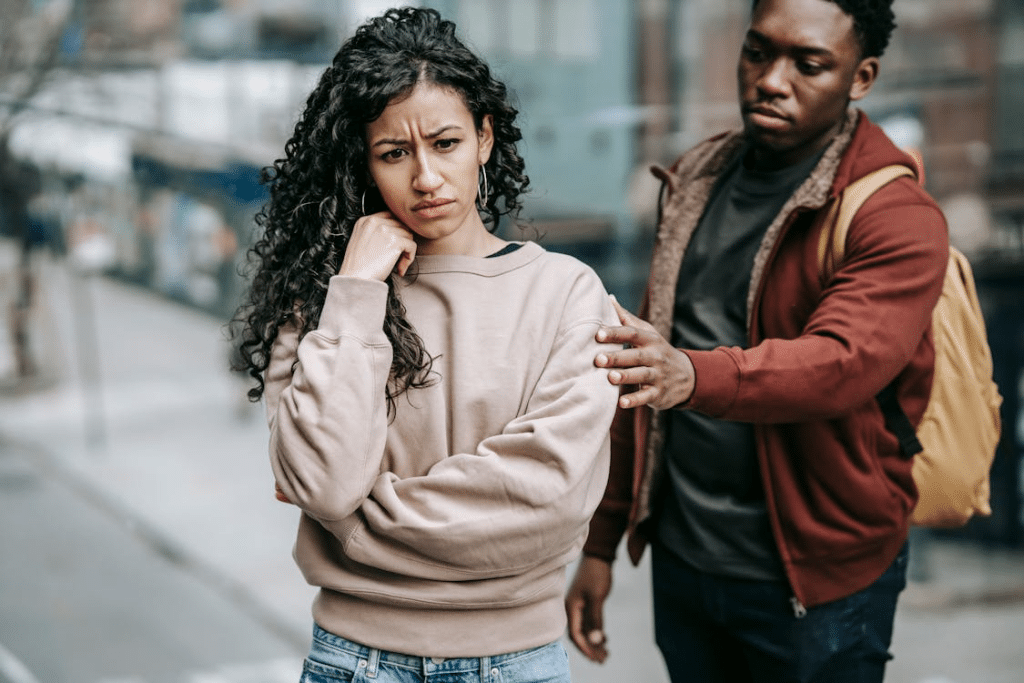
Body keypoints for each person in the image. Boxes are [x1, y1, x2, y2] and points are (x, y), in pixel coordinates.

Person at [231, 7, 620, 683]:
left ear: (485, 138)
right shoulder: (325, 301)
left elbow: (546, 502)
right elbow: (324, 481)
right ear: (364, 163)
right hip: (354, 661)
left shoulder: (567, 294)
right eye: (393, 153)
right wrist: (355, 287)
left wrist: (353, 527)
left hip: (519, 662)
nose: (426, 178)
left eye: (445, 143)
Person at [565, 0, 949, 681]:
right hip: (686, 562)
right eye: (757, 52)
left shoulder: (895, 213)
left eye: (808, 64)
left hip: (816, 580)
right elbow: (643, 371)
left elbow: (841, 362)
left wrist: (693, 375)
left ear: (861, 77)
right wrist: (601, 541)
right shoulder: (697, 179)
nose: (771, 80)